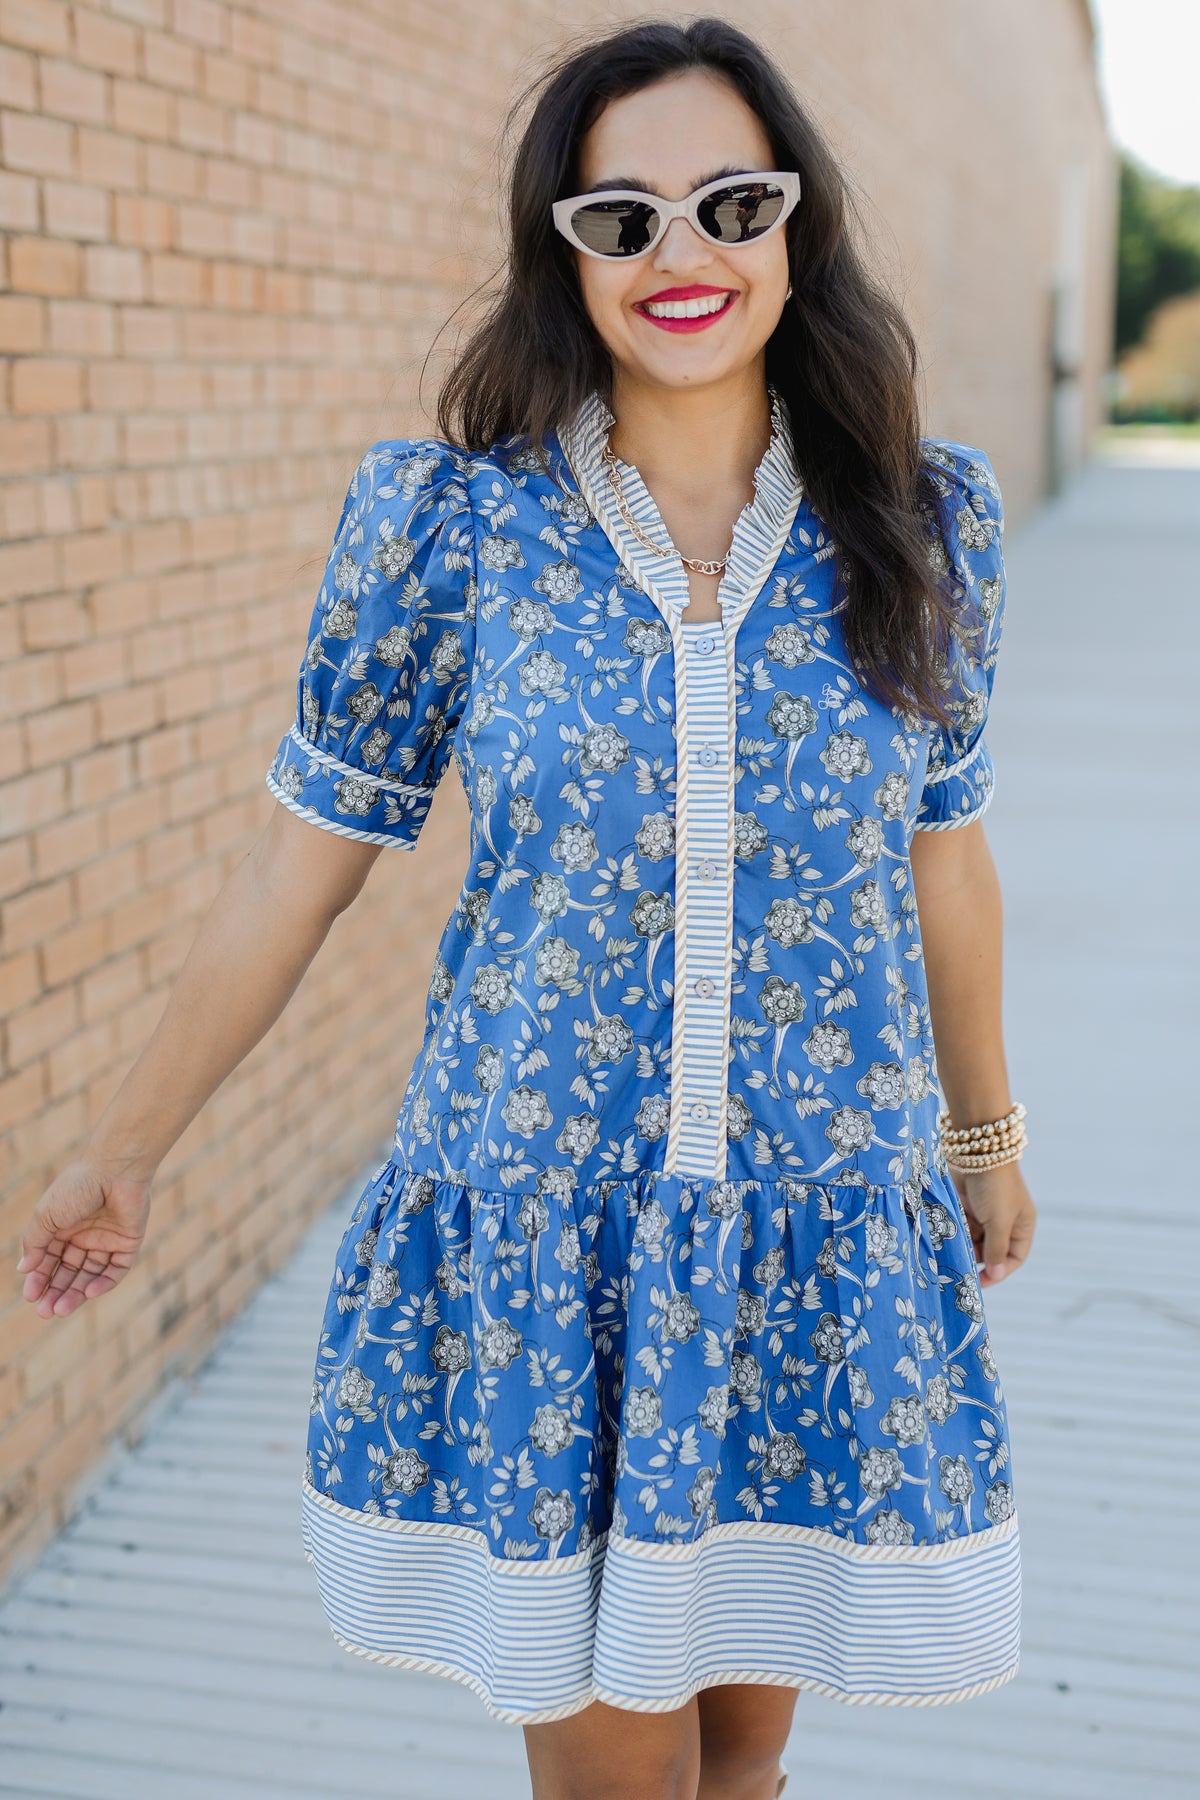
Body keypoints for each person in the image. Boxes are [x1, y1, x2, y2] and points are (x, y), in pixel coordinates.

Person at [17, 17, 1037, 1799]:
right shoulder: (454, 530)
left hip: (810, 1250)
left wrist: (985, 1132)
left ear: (799, 224)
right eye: (620, 218)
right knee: (613, 1788)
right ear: (563, 255)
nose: (683, 254)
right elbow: (299, 859)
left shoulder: (923, 527)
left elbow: (944, 853)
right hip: (555, 1267)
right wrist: (129, 1142)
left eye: (731, 200)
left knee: (744, 1768)